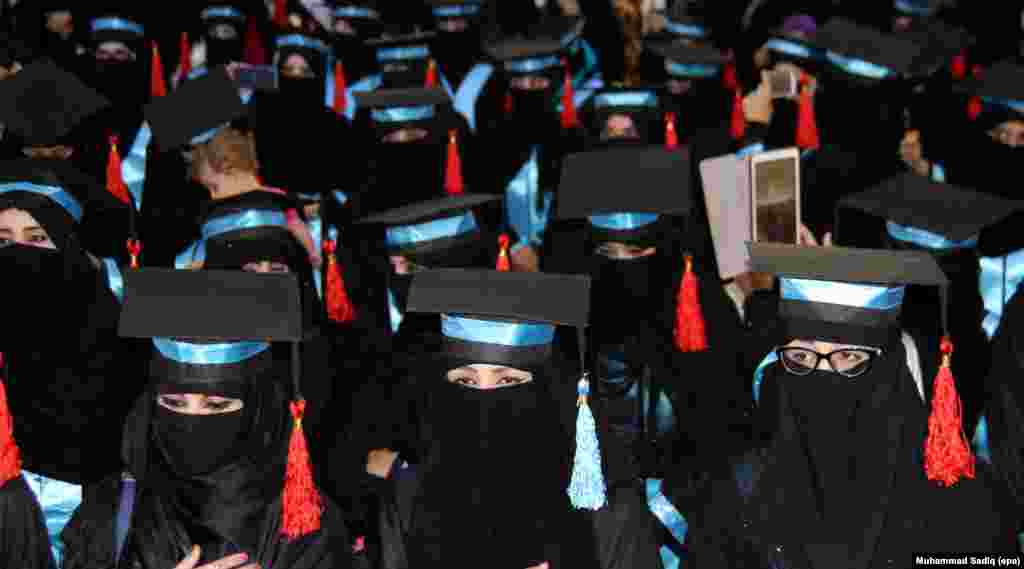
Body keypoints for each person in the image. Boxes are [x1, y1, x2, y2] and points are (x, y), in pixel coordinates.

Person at [689, 243, 1018, 567]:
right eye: (802, 356)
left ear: (890, 370)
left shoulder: (968, 504)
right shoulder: (738, 491)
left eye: (848, 357)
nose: (821, 374)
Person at [63, 268, 351, 568]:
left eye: (215, 406)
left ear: (257, 411)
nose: (192, 419)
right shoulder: (111, 510)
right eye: (173, 402)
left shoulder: (305, 519)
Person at [549, 146, 750, 568]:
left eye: (639, 254)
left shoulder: (705, 310)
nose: (624, 266)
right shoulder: (567, 321)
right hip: (595, 520)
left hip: (694, 514)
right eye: (610, 254)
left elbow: (730, 426)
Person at [378, 268, 605, 568]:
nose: (484, 396)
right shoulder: (408, 498)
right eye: (466, 382)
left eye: (508, 381)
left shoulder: (597, 501)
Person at [0, 157, 141, 564]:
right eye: (4, 240)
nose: (20, 253)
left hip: (89, 515)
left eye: (38, 237)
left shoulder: (115, 324)